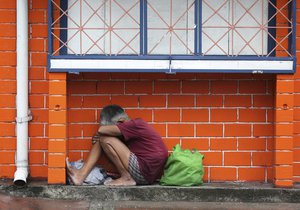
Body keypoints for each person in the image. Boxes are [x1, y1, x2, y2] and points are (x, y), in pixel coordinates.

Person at [66, 105, 168, 186]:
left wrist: (101, 135)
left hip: (144, 170)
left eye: (113, 127)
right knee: (103, 139)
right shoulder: (130, 132)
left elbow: (101, 130)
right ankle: (81, 175)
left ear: (121, 122)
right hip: (147, 174)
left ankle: (125, 177)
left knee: (104, 138)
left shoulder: (136, 124)